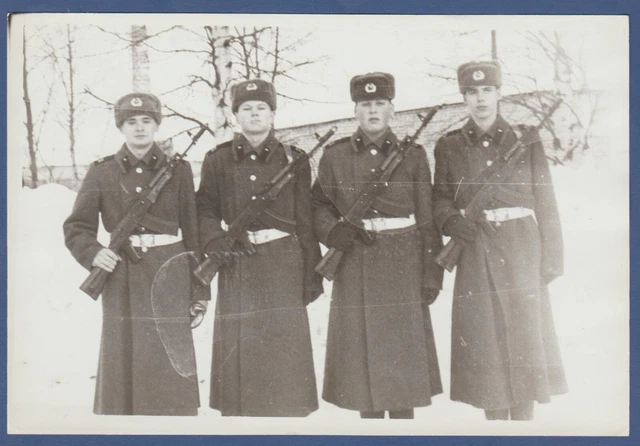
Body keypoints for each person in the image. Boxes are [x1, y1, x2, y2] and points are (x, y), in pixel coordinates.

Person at [432, 61, 568, 421]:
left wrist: (552, 257)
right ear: (464, 97)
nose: (480, 99)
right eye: (472, 92)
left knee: (525, 344)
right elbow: (439, 199)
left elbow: (547, 200)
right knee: (486, 345)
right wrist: (450, 222)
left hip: (523, 249)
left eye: (487, 91)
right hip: (475, 249)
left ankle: (522, 428)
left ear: (499, 93)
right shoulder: (449, 146)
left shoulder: (526, 138)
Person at [63, 92, 207, 416]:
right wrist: (94, 253)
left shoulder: (179, 170)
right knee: (122, 375)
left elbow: (194, 233)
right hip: (121, 278)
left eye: (146, 121)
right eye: (131, 122)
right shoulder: (101, 172)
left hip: (170, 277)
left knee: (170, 373)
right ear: (121, 127)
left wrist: (199, 290)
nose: (139, 128)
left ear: (156, 126)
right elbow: (77, 227)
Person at [312, 72, 443, 419]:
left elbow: (427, 216)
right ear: (355, 110)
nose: (372, 111)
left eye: (379, 104)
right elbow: (317, 205)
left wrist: (432, 271)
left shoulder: (413, 155)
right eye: (365, 104)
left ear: (392, 110)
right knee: (362, 377)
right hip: (354, 263)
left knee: (402, 376)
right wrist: (331, 232)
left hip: (403, 264)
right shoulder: (334, 156)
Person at [196, 79, 323, 417]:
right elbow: (204, 208)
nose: (254, 114)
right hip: (237, 264)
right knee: (242, 350)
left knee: (284, 352)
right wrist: (214, 240)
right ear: (236, 115)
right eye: (246, 109)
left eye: (261, 108)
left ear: (272, 114)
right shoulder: (217, 160)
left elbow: (306, 220)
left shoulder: (294, 159)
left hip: (284, 264)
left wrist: (312, 272)